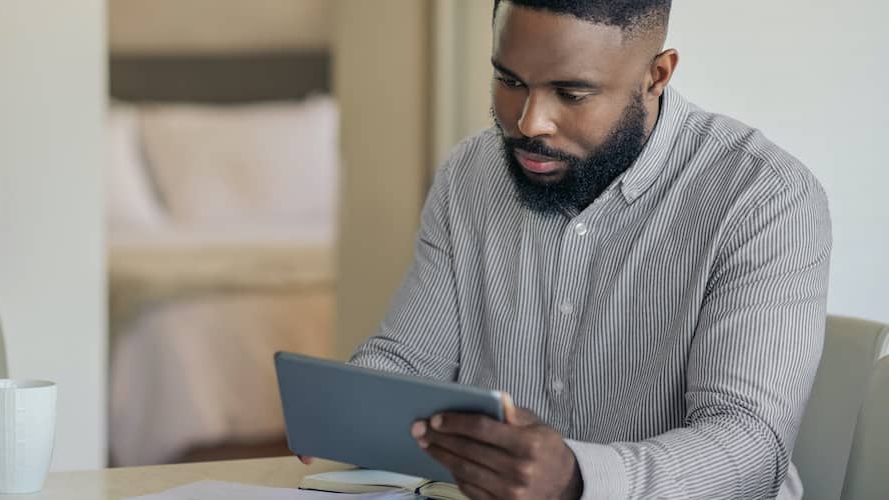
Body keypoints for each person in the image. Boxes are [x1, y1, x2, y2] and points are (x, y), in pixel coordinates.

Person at [308, 1, 832, 499]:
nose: (529, 122)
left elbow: (749, 446)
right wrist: (348, 408)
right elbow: (410, 358)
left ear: (658, 75)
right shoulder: (470, 174)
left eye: (572, 93)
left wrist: (576, 480)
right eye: (510, 80)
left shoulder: (763, 197)